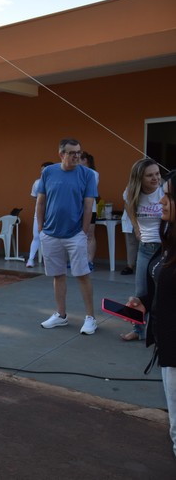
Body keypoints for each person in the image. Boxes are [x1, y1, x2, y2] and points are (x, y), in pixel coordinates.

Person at [126, 169, 176, 458]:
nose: (162, 202)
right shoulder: (168, 239)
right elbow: (163, 284)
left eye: (169, 196)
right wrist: (147, 301)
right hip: (168, 347)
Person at [38, 138, 98, 335]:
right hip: (50, 233)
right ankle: (60, 315)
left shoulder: (87, 174)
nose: (76, 156)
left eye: (78, 152)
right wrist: (41, 229)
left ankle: (90, 318)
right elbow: (41, 202)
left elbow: (88, 205)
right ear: (61, 154)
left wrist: (83, 232)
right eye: (72, 153)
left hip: (75, 235)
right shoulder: (48, 172)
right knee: (58, 275)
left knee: (82, 275)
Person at [120, 158, 163, 341]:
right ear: (140, 178)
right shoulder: (131, 192)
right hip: (145, 248)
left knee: (163, 293)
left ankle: (163, 333)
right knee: (140, 293)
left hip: (165, 250)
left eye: (157, 174)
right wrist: (136, 227)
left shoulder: (165, 191)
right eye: (150, 175)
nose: (155, 178)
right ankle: (138, 331)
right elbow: (128, 207)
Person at [26, 162, 55, 268]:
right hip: (38, 214)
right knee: (37, 236)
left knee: (53, 238)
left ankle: (51, 261)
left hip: (53, 214)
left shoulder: (56, 182)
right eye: (41, 169)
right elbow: (36, 197)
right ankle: (30, 260)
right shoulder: (37, 183)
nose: (42, 171)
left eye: (45, 169)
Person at [80, 151, 98, 270]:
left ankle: (89, 261)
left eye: (79, 158)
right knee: (78, 235)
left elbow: (88, 188)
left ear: (85, 160)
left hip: (90, 207)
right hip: (77, 208)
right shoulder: (75, 172)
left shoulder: (93, 173)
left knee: (89, 234)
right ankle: (79, 260)